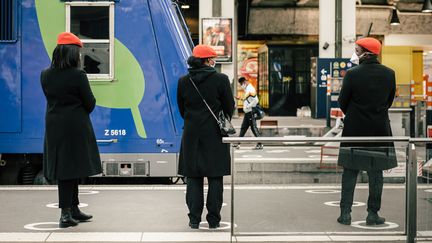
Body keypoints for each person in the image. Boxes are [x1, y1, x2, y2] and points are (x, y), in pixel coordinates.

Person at [40, 32, 102, 228]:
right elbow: (90, 103)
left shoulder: (45, 74)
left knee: (67, 168)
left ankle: (73, 208)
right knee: (70, 169)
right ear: (72, 54)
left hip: (54, 126)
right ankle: (65, 214)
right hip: (75, 126)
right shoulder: (78, 75)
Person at [337, 37, 397, 226]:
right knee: (376, 174)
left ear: (363, 52)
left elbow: (342, 102)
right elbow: (389, 101)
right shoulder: (389, 74)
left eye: (356, 48)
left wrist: (355, 115)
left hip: (355, 131)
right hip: (379, 130)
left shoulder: (352, 74)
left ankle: (345, 214)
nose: (354, 51)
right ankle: (373, 214)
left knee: (350, 172)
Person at [177, 45, 235, 229]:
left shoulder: (183, 81)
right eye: (212, 58)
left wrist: (193, 120)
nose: (214, 60)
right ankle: (214, 220)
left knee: (193, 178)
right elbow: (229, 106)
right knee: (215, 178)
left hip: (191, 135)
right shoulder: (221, 79)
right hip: (214, 134)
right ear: (207, 60)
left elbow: (181, 108)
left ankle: (194, 219)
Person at [235, 77, 263, 150]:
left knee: (253, 127)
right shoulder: (247, 89)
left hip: (251, 111)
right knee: (243, 128)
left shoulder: (250, 89)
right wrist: (240, 99)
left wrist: (248, 107)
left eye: (241, 84)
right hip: (247, 112)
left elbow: (255, 100)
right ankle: (238, 143)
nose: (241, 86)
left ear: (244, 82)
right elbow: (247, 100)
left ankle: (260, 144)